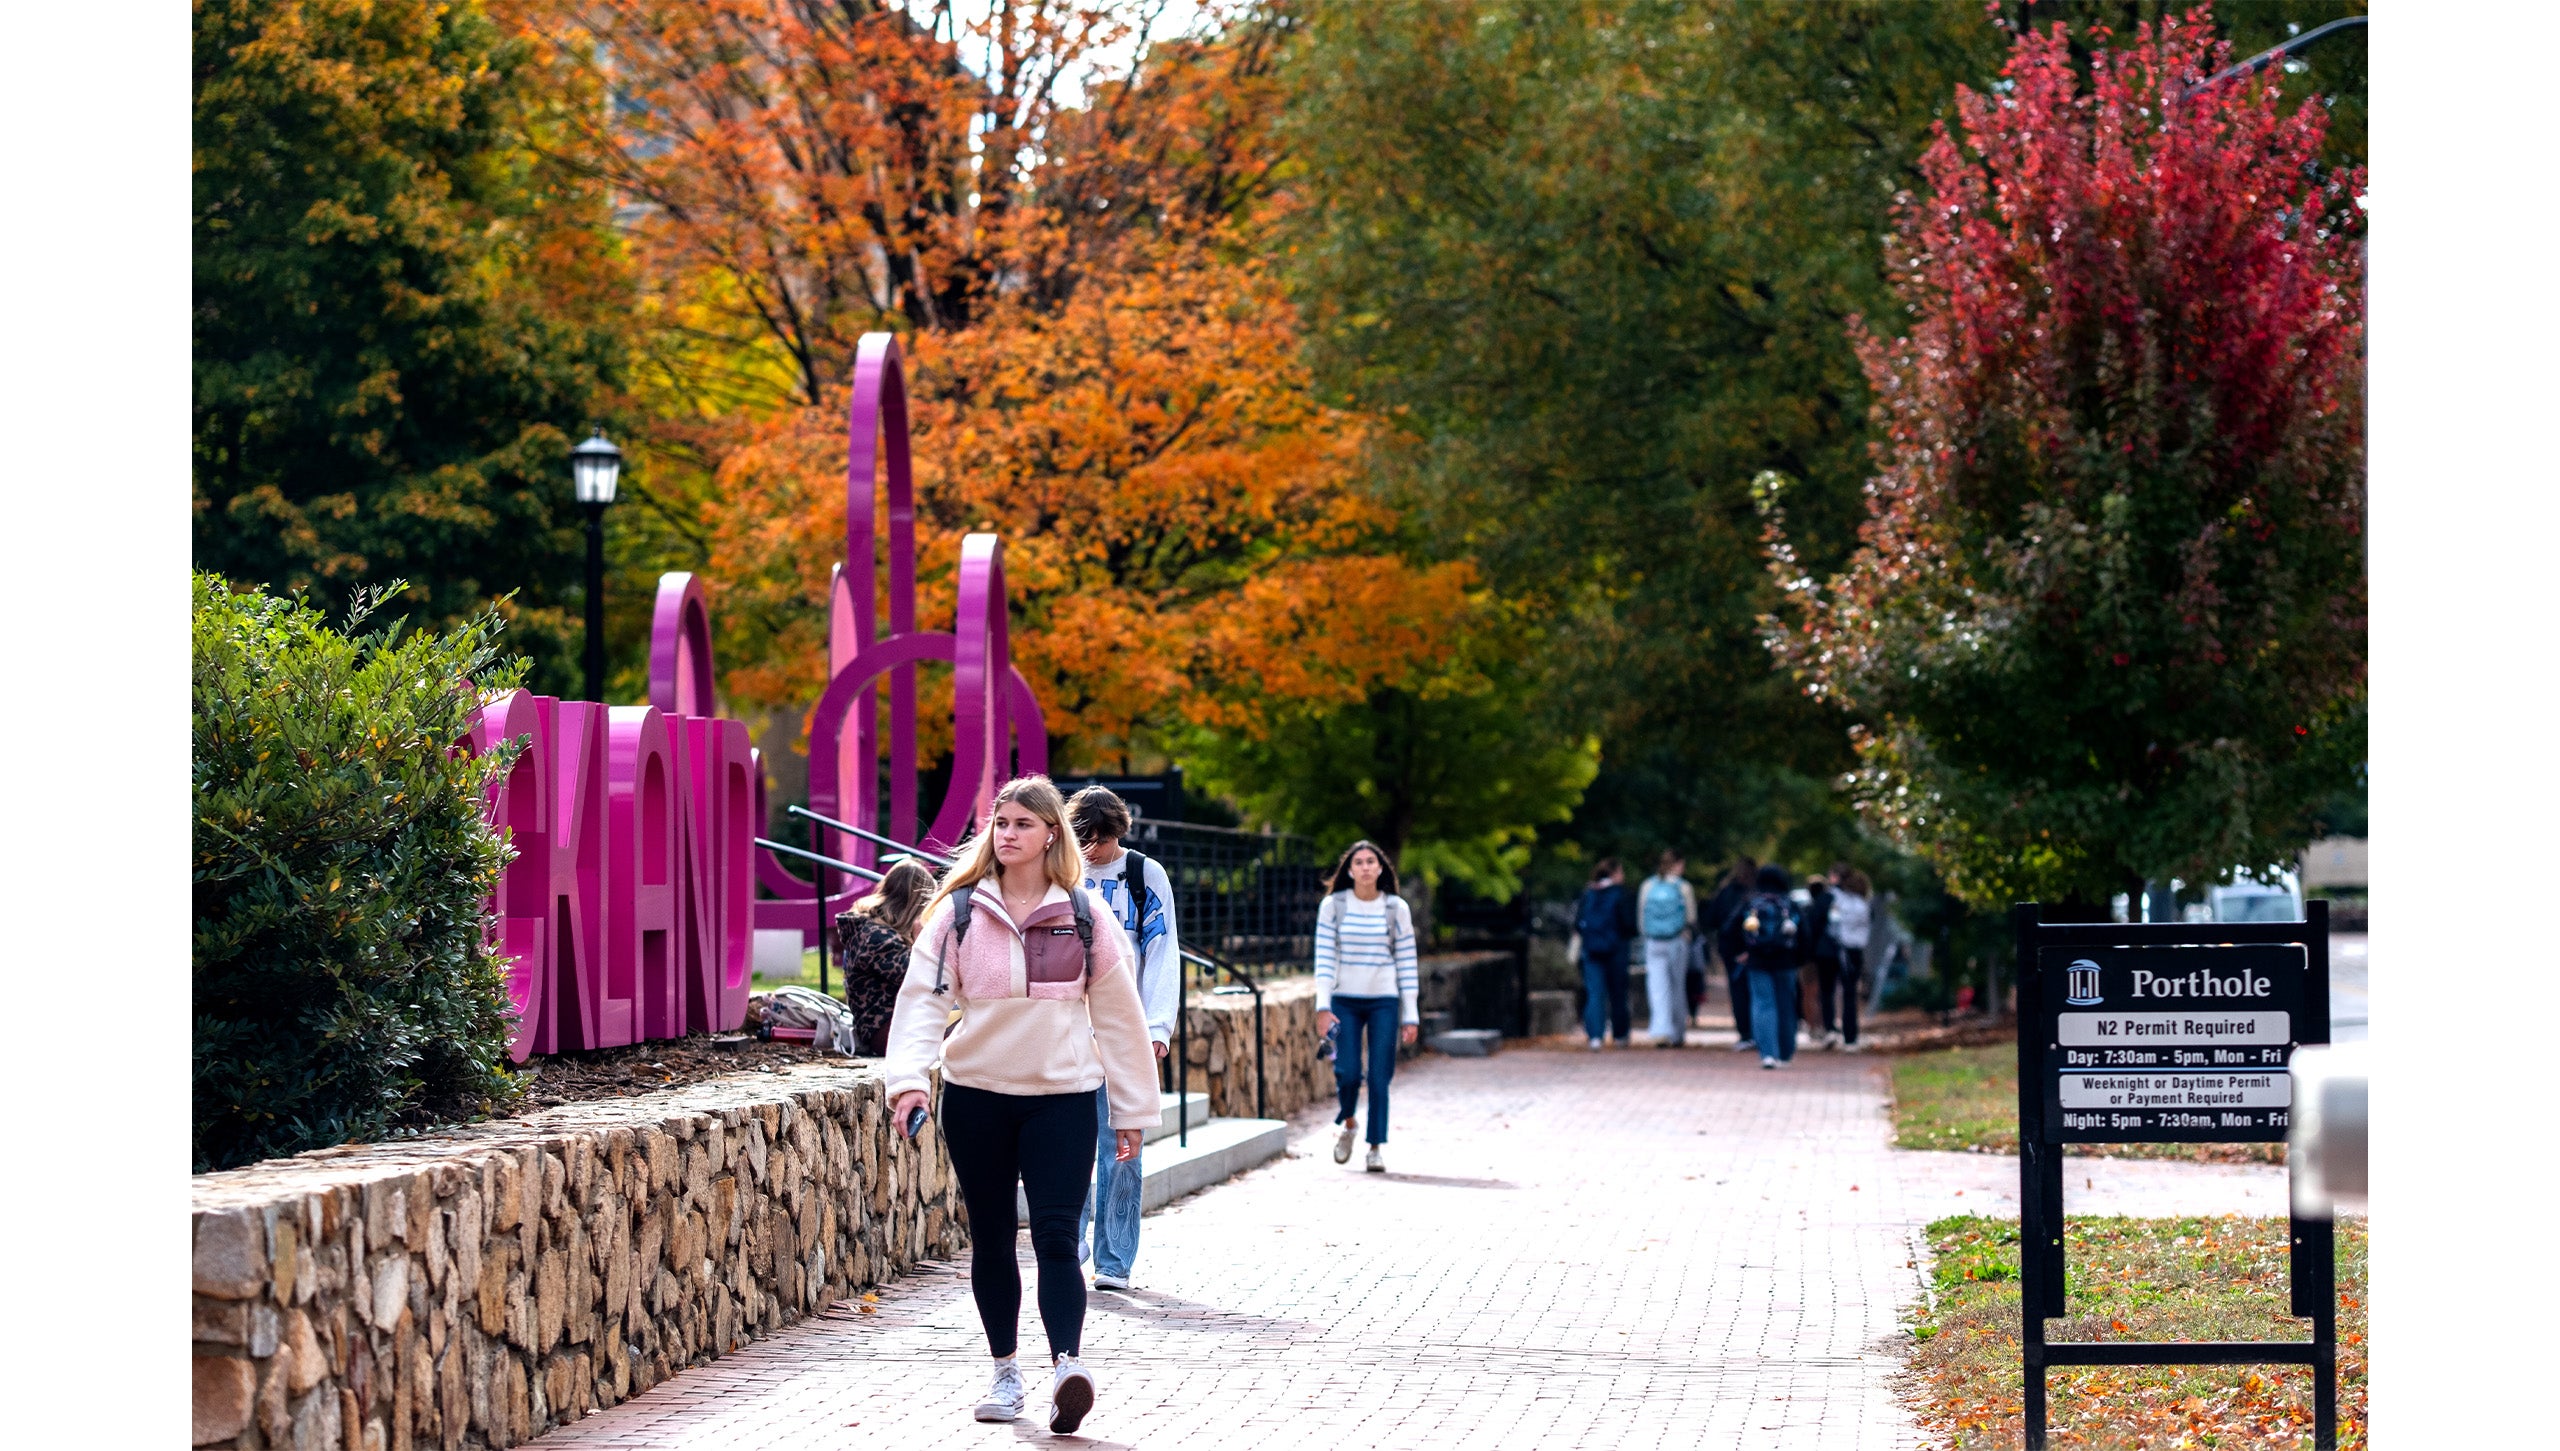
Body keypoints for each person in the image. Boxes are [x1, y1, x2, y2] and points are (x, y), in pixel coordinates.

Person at [881, 777, 1159, 1434]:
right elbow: (921, 999)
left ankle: (1068, 1366)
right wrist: (909, 1081)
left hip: (1062, 1100)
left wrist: (1131, 1111)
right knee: (993, 1237)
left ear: (1050, 834)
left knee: (1059, 1237)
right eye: (1000, 823)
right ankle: (1005, 1372)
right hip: (977, 1098)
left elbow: (1121, 1020)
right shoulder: (958, 913)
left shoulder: (1086, 915)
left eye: (1022, 824)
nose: (1007, 834)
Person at [1066, 786, 1179, 1291]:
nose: (1093, 851)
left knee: (1123, 1145)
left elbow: (1163, 951)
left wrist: (1157, 1026)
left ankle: (1114, 1259)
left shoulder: (1143, 875)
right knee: (1069, 1141)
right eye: (1084, 839)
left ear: (1118, 832)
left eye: (1102, 840)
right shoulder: (1063, 873)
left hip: (1125, 1027)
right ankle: (1072, 1237)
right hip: (1069, 1027)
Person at [1313, 840, 1420, 1173]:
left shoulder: (1395, 908)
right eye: (1358, 862)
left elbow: (1406, 960)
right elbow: (1325, 958)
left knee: (1378, 1076)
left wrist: (1411, 1014)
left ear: (1380, 868)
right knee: (1347, 1073)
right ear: (1349, 869)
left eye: (1370, 861)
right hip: (1344, 999)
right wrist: (1322, 1005)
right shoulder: (1333, 906)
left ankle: (1375, 1147)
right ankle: (1348, 1124)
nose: (1364, 867)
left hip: (1384, 1000)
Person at [832, 857, 938, 1055]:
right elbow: (923, 978)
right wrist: (922, 940)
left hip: (895, 1026)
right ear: (914, 903)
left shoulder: (875, 931)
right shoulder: (877, 938)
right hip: (886, 1032)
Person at [1736, 863, 1804, 1069]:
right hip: (1785, 960)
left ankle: (1767, 1053)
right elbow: (1805, 932)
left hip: (1757, 960)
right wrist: (1800, 958)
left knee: (1762, 1003)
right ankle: (1785, 1053)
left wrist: (1740, 952)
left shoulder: (1750, 903)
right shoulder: (1789, 904)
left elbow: (1730, 929)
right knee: (1786, 1005)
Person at [1571, 859, 1637, 1051]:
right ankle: (1620, 1035)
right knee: (1618, 993)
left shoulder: (1589, 893)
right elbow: (1628, 924)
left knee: (1594, 993)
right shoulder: (1621, 894)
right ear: (1615, 874)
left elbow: (1578, 923)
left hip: (1591, 951)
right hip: (1616, 949)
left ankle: (1595, 1036)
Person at [1638, 850, 1698, 1049]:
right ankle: (1677, 1032)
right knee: (1677, 986)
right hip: (1676, 940)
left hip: (1654, 941)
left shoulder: (1648, 886)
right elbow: (1690, 918)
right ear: (1678, 865)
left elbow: (1641, 917)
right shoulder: (1683, 887)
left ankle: (1660, 1030)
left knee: (1657, 987)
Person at [1706, 857, 1758, 1051]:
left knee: (1738, 992)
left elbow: (1711, 919)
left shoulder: (1725, 892)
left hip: (1731, 950)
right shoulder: (1757, 893)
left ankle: (1744, 1033)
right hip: (1755, 950)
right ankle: (1758, 1032)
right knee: (1757, 992)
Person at [1829, 866, 1874, 1052]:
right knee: (1850, 994)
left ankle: (1840, 1031)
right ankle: (1851, 1035)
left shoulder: (1840, 901)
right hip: (1857, 950)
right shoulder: (1864, 905)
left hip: (1843, 949)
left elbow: (1834, 925)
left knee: (1840, 992)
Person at [1801, 873, 1839, 1051]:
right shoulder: (1830, 905)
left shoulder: (1808, 909)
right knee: (1826, 992)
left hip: (1809, 955)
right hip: (1828, 953)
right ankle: (1826, 1026)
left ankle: (1813, 1027)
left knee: (1809, 992)